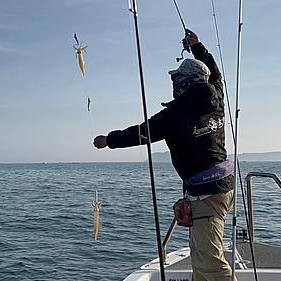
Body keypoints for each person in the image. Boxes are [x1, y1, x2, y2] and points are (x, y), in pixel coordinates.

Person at [93, 29, 236, 281]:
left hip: (206, 196)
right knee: (201, 256)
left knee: (211, 263)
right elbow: (216, 74)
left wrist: (108, 141)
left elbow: (141, 133)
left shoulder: (176, 115)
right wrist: (198, 47)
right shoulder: (216, 98)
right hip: (223, 189)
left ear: (184, 83)